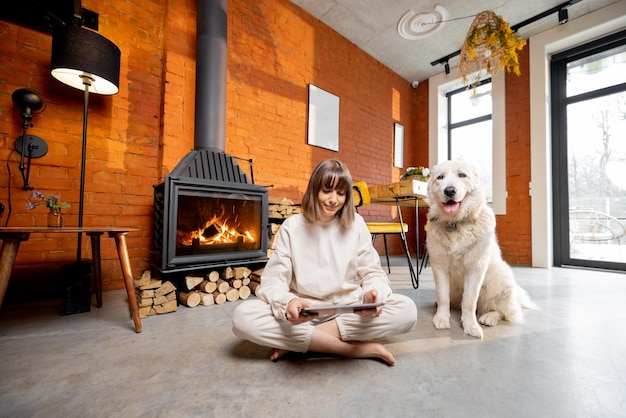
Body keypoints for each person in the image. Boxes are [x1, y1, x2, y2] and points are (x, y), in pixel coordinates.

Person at [232, 159, 417, 366]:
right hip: (305, 311)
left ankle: (303, 342)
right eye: (326, 191)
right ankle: (352, 350)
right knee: (243, 317)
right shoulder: (291, 227)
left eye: (341, 193)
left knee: (407, 310)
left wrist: (373, 295)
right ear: (314, 190)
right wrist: (289, 303)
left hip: (349, 307)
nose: (333, 200)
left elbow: (373, 273)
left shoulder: (356, 223)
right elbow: (273, 283)